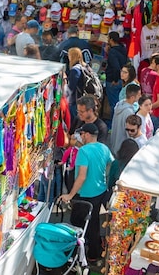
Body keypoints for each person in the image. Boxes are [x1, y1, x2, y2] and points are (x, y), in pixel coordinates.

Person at [58, 122, 113, 263]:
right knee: (93, 221)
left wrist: (70, 195)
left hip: (85, 194)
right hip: (100, 191)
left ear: (87, 135)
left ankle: (80, 251)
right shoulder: (104, 148)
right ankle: (94, 252)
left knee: (77, 222)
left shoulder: (83, 151)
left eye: (81, 134)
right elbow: (110, 163)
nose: (80, 137)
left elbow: (81, 176)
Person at [104, 31, 129, 119]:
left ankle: (113, 124)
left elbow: (115, 67)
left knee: (114, 104)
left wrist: (115, 79)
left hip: (113, 80)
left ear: (111, 40)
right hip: (122, 80)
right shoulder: (123, 49)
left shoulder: (113, 52)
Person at [111, 83, 141, 151]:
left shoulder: (119, 104)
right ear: (133, 97)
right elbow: (129, 133)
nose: (140, 96)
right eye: (139, 94)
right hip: (122, 146)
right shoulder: (129, 112)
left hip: (115, 143)